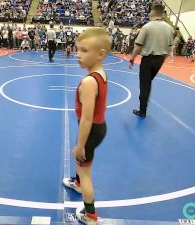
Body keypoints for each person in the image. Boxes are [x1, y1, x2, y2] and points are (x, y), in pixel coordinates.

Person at [62, 28, 111, 225]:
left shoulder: (90, 81)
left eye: (84, 51)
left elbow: (87, 119)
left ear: (100, 54)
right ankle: (77, 182)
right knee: (81, 162)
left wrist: (81, 144)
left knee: (85, 171)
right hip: (97, 128)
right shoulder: (100, 74)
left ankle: (90, 215)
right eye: (78, 49)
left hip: (91, 131)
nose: (77, 55)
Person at [129, 4, 174, 117]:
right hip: (159, 60)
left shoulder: (147, 27)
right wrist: (162, 59)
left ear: (153, 12)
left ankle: (142, 110)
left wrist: (132, 58)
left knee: (145, 85)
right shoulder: (169, 28)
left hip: (148, 60)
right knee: (148, 83)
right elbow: (169, 48)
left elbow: (138, 46)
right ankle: (143, 107)